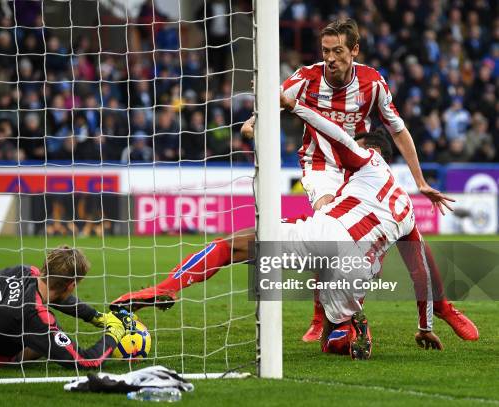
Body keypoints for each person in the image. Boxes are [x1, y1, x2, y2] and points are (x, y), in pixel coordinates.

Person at [112, 99, 444, 358]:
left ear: (371, 149)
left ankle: (169, 286)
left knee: (233, 246)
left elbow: (339, 136)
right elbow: (421, 272)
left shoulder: (368, 159)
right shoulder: (408, 208)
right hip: (358, 270)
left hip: (324, 235)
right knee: (331, 339)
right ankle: (350, 329)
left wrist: (295, 105)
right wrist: (424, 327)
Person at [279, 18, 476, 342]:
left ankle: (441, 306)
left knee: (410, 236)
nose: (331, 58)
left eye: (338, 51)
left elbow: (398, 129)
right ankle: (322, 318)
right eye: (326, 51)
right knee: (328, 231)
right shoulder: (305, 78)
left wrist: (420, 180)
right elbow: (274, 100)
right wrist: (253, 121)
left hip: (360, 163)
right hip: (321, 164)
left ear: (355, 50)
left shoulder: (372, 83)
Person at [0, 245, 133, 368]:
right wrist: (114, 331)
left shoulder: (23, 271)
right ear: (72, 285)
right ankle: (12, 357)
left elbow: (54, 292)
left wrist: (96, 317)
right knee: (36, 344)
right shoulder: (35, 317)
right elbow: (86, 361)